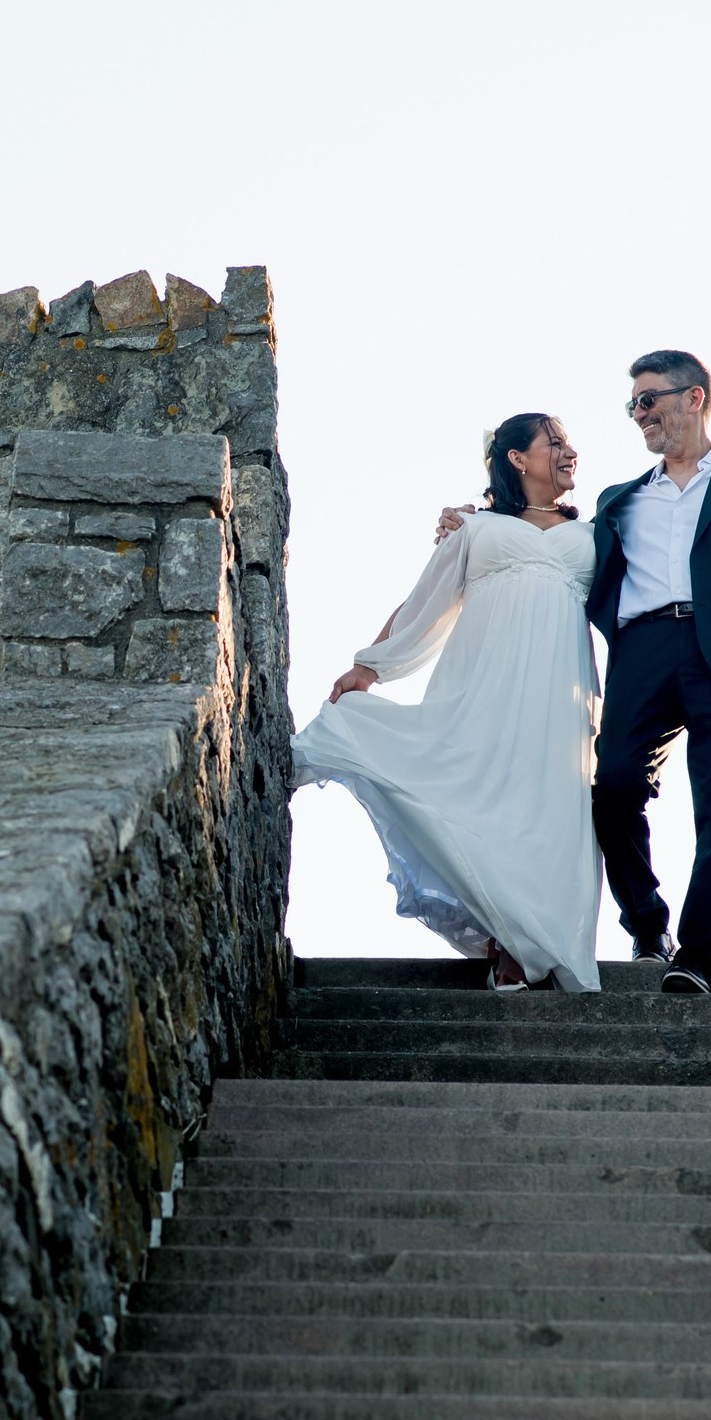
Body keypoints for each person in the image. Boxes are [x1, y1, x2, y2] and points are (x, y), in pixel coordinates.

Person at [438, 350, 711, 994]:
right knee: (611, 787)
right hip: (642, 653)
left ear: (694, 398)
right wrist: (477, 520)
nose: (639, 414)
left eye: (649, 399)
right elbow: (547, 548)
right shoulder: (619, 500)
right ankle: (646, 924)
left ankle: (697, 957)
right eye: (633, 404)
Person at [294, 413, 602, 992]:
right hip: (485, 684)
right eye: (555, 442)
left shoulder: (594, 532)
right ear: (517, 458)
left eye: (569, 442)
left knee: (549, 813)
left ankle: (536, 942)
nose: (569, 451)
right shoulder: (474, 527)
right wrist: (369, 666)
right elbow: (425, 602)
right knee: (484, 802)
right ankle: (506, 939)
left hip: (560, 696)